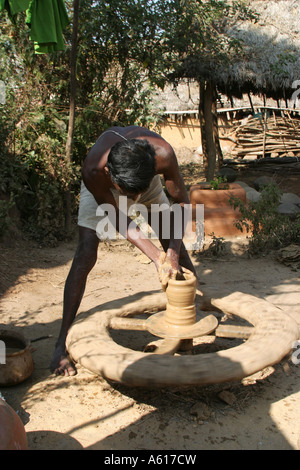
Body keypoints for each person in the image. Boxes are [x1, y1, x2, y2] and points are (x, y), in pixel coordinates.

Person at [50, 125, 200, 376]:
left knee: (179, 252)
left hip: (140, 178)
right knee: (86, 252)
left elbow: (182, 204)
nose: (135, 200)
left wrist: (170, 254)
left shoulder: (163, 155)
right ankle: (60, 344)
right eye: (132, 196)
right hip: (108, 188)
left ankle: (187, 331)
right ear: (109, 172)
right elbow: (118, 218)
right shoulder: (94, 170)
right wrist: (156, 257)